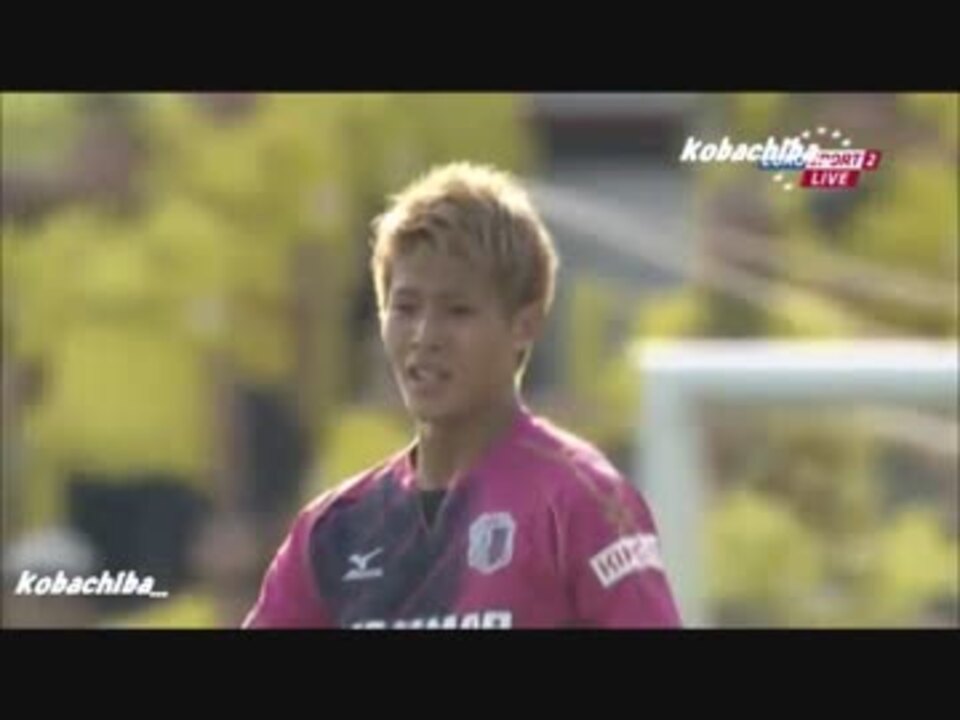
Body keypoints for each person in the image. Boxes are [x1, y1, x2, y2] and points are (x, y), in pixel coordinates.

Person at [243, 162, 682, 629]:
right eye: (406, 308)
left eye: (457, 311)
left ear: (524, 326)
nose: (425, 336)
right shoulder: (333, 529)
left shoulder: (582, 502)